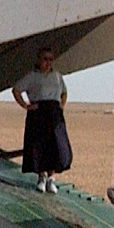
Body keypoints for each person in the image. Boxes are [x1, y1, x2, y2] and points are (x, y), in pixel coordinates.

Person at [10, 45, 73, 190]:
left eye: (51, 59)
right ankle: (41, 177)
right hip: (39, 114)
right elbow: (16, 90)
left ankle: (51, 178)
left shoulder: (57, 76)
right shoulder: (32, 76)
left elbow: (64, 92)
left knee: (55, 145)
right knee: (40, 145)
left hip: (54, 114)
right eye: (45, 59)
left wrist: (61, 106)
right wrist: (26, 106)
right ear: (39, 60)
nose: (48, 62)